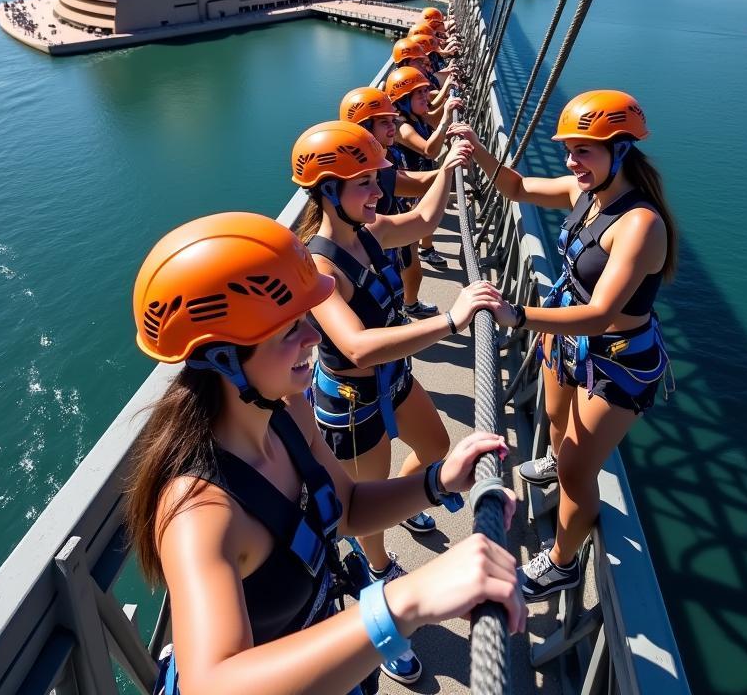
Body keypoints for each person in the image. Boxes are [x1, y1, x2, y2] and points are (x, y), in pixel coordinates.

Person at [125, 212, 525, 695]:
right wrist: (406, 601)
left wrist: (437, 481)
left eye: (305, 320)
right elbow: (212, 683)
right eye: (289, 330)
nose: (314, 338)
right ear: (224, 358)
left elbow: (348, 506)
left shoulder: (287, 409)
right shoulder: (198, 509)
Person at [447, 90, 678, 601]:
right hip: (568, 341)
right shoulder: (585, 194)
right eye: (570, 150)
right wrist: (478, 148)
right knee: (555, 422)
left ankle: (562, 562)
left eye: (584, 151)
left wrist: (519, 314)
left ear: (620, 151)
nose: (572, 162)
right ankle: (558, 460)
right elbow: (519, 186)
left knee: (576, 470)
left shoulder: (640, 225)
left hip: (617, 359)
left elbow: (600, 315)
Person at [292, 122, 503, 617]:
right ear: (329, 191)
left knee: (435, 447)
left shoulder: (372, 232)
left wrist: (448, 170)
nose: (376, 191)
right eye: (363, 182)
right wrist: (452, 320)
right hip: (352, 403)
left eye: (373, 179)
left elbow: (425, 221)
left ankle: (405, 503)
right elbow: (358, 346)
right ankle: (380, 570)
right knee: (364, 505)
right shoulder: (319, 269)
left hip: (396, 379)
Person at [338, 86, 439, 320]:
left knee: (405, 275)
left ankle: (406, 308)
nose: (393, 126)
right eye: (383, 122)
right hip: (379, 247)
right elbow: (416, 183)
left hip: (388, 238)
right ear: (364, 129)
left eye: (393, 119)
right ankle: (405, 308)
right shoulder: (363, 170)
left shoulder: (382, 159)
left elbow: (410, 182)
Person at [384, 67, 463, 269]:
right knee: (423, 215)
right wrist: (446, 119)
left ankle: (425, 248)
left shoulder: (418, 116)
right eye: (418, 93)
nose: (425, 96)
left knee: (428, 213)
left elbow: (434, 119)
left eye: (424, 91)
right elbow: (429, 150)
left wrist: (447, 104)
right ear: (403, 100)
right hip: (410, 181)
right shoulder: (402, 126)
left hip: (419, 174)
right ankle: (424, 249)